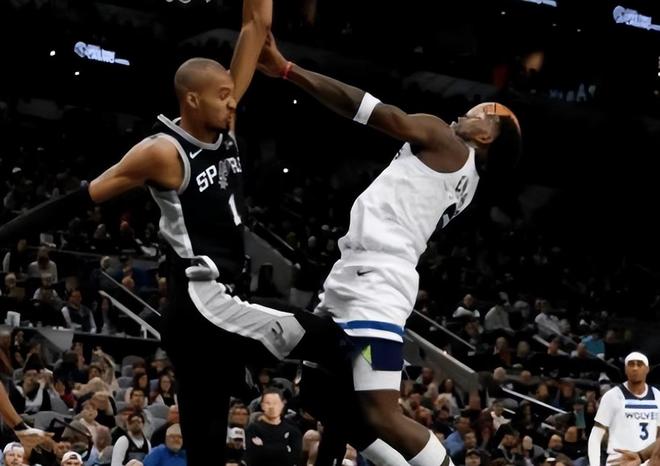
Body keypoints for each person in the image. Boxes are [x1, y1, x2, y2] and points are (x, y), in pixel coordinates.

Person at [0, 2, 356, 464]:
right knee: (334, 341)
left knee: (205, 449)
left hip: (203, 314)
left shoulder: (223, 124)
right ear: (192, 100)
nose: (233, 101)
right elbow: (81, 198)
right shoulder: (163, 153)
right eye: (223, 95)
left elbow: (255, 24)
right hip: (204, 304)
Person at [257, 33, 522, 466]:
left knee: (381, 414)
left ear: (487, 135)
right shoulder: (466, 178)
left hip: (376, 282)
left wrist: (289, 71)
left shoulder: (446, 140)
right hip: (358, 273)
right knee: (322, 395)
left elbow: (371, 110)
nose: (467, 111)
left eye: (481, 113)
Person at [589, 352, 660, 466]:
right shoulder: (612, 396)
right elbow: (596, 435)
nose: (635, 368)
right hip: (619, 461)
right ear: (625, 369)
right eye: (631, 364)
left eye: (639, 364)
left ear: (647, 369)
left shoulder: (657, 396)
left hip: (647, 461)